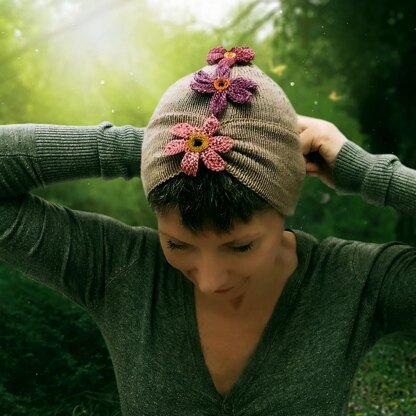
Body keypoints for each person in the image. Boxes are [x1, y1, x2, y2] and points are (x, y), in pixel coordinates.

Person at [0, 45, 414, 415]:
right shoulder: (117, 269)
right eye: (177, 244)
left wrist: (365, 171)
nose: (211, 281)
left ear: (285, 209)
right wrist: (155, 148)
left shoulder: (356, 283)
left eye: (240, 247)